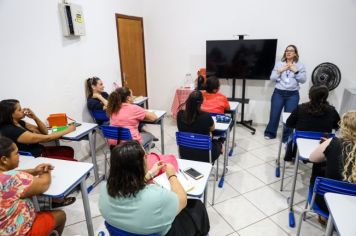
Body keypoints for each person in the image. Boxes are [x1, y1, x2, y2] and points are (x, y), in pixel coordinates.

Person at [99, 141, 210, 235]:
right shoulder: (157, 197)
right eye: (145, 156)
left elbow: (128, 182)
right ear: (139, 165)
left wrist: (150, 174)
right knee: (197, 206)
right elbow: (182, 200)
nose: (147, 157)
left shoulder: (104, 189)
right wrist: (172, 175)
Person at [0, 136, 66, 235]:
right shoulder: (14, 179)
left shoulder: (8, 177)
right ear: (4, 159)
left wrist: (34, 171)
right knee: (61, 215)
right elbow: (44, 183)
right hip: (19, 232)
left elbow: (10, 174)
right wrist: (46, 170)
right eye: (16, 153)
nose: (19, 156)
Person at [309, 110, 356, 221]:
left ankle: (324, 217)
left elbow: (312, 158)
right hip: (352, 206)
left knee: (318, 167)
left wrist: (327, 149)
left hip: (326, 202)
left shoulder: (333, 142)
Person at [0, 99, 76, 159]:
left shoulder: (20, 123)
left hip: (40, 151)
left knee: (68, 150)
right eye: (19, 110)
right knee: (72, 160)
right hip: (35, 157)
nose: (23, 110)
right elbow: (47, 138)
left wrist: (35, 117)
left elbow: (45, 132)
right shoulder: (10, 130)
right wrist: (68, 130)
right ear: (10, 114)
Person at [264, 45, 307, 141]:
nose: (288, 52)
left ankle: (287, 137)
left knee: (289, 116)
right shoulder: (279, 64)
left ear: (295, 53)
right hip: (278, 93)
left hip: (293, 94)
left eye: (291, 51)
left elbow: (303, 80)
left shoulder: (300, 65)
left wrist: (296, 72)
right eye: (287, 51)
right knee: (274, 114)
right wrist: (280, 71)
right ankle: (270, 133)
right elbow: (272, 78)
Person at [177, 90, 223, 163]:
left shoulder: (180, 114)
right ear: (202, 102)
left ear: (188, 100)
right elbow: (213, 128)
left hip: (185, 153)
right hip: (205, 155)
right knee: (219, 142)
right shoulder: (206, 116)